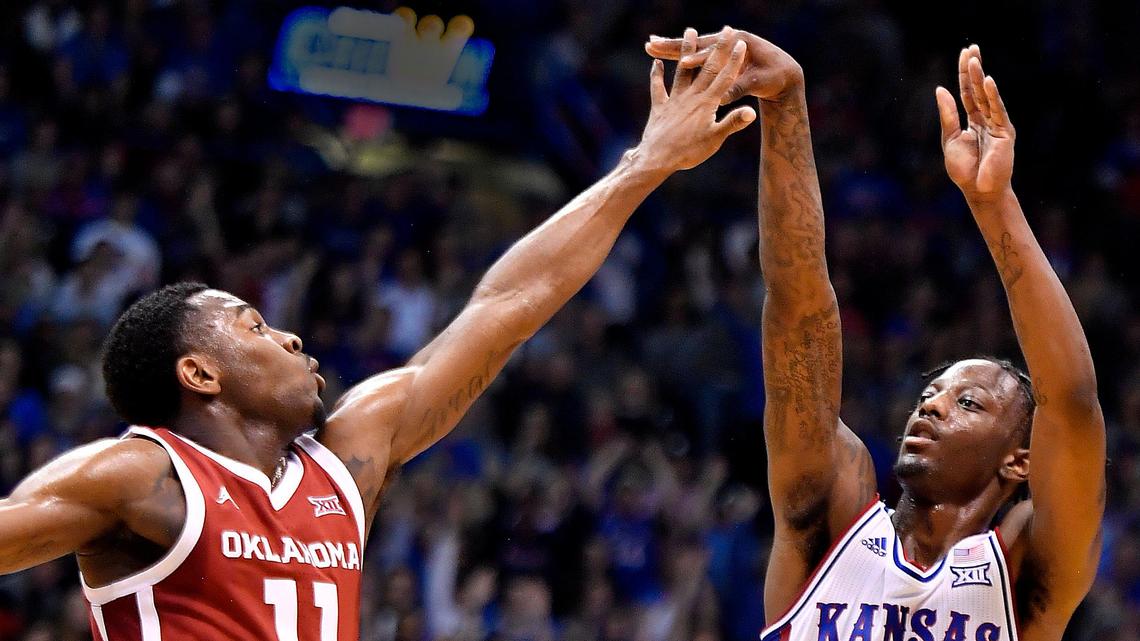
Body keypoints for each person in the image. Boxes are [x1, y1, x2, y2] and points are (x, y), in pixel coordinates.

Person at [0, 27, 758, 641]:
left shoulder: (346, 460)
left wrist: (645, 163)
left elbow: (510, 303)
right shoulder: (140, 476)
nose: (291, 337)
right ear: (200, 373)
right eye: (255, 324)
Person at [647, 31, 1105, 641]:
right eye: (932, 395)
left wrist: (993, 207)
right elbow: (798, 311)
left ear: (1020, 460)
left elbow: (1071, 404)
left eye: (966, 402)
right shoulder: (834, 519)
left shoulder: (1022, 574)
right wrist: (784, 105)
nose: (933, 405)